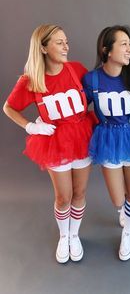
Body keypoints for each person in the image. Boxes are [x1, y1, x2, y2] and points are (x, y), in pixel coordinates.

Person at [3, 25, 97, 264]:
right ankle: (63, 236)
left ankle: (74, 235)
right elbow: (9, 107)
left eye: (66, 41)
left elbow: (96, 93)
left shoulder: (76, 70)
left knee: (80, 192)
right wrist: (31, 126)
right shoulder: (32, 79)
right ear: (43, 47)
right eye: (59, 42)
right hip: (55, 141)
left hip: (83, 135)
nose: (66, 46)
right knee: (63, 196)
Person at [82, 25, 130, 261]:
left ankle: (127, 231)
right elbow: (80, 109)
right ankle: (123, 211)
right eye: (123, 44)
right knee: (118, 198)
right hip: (107, 138)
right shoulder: (92, 79)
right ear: (106, 50)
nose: (129, 49)